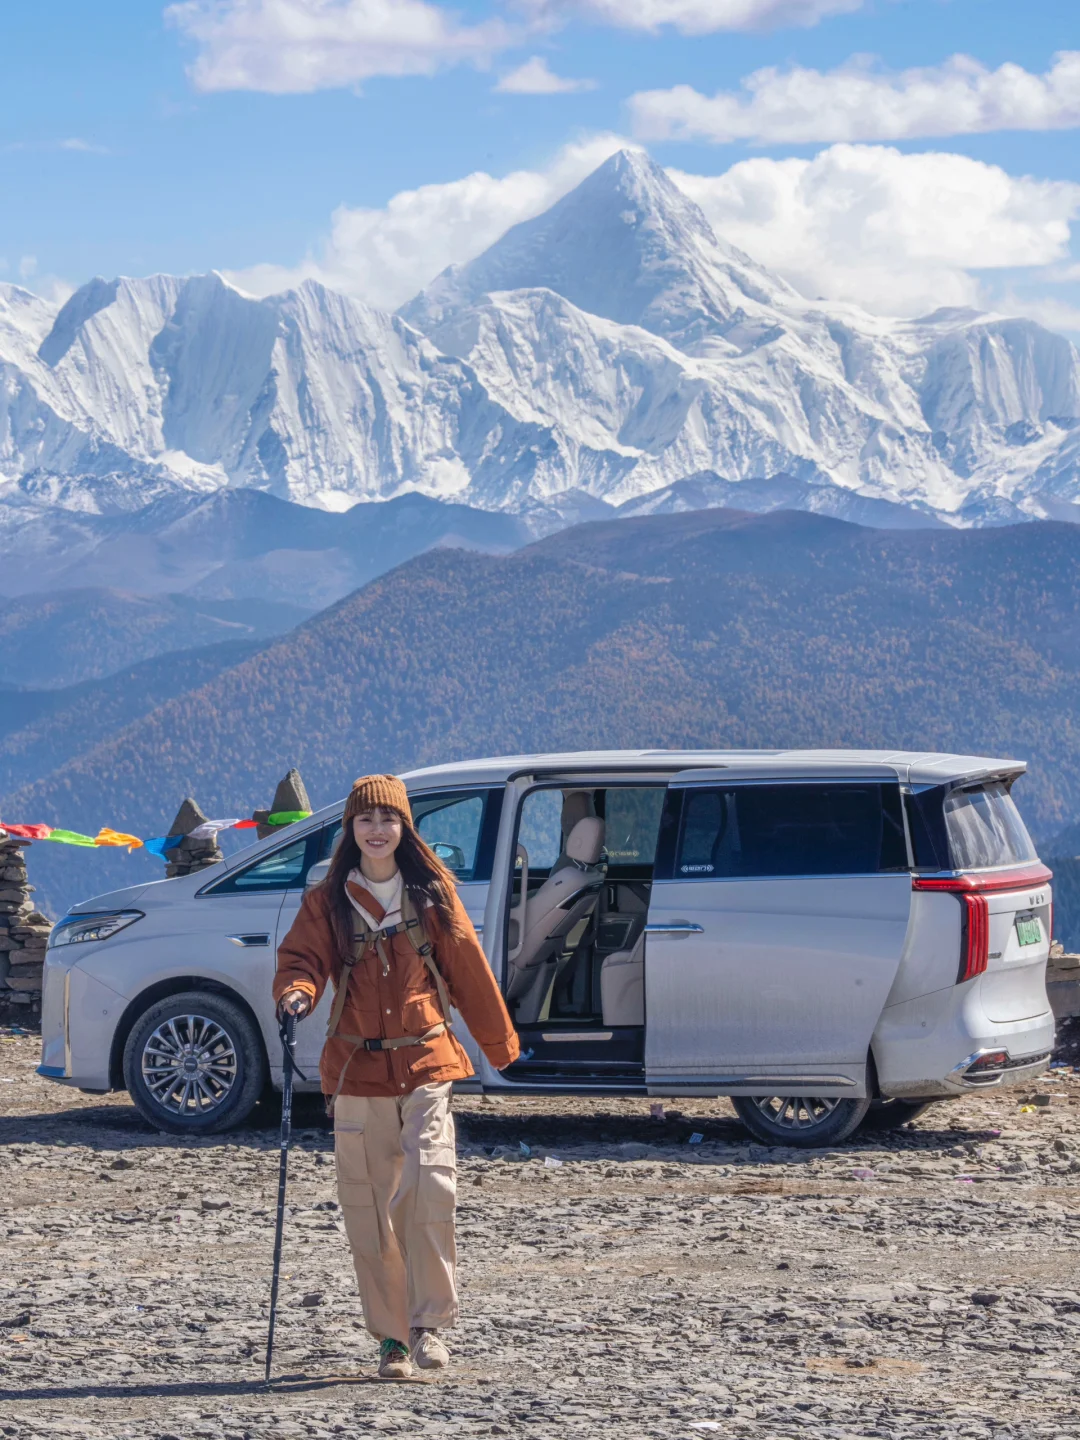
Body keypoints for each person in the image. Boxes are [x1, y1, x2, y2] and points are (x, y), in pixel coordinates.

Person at [273, 774, 520, 1379]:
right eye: (365, 820)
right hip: (357, 1070)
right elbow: (301, 960)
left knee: (430, 1188)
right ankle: (391, 1342)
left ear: (405, 828)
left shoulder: (433, 894)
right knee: (368, 1208)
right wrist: (297, 993)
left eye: (389, 820)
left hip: (426, 1062)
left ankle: (429, 1324)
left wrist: (499, 1046)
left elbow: (468, 969)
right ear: (350, 829)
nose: (377, 831)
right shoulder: (329, 899)